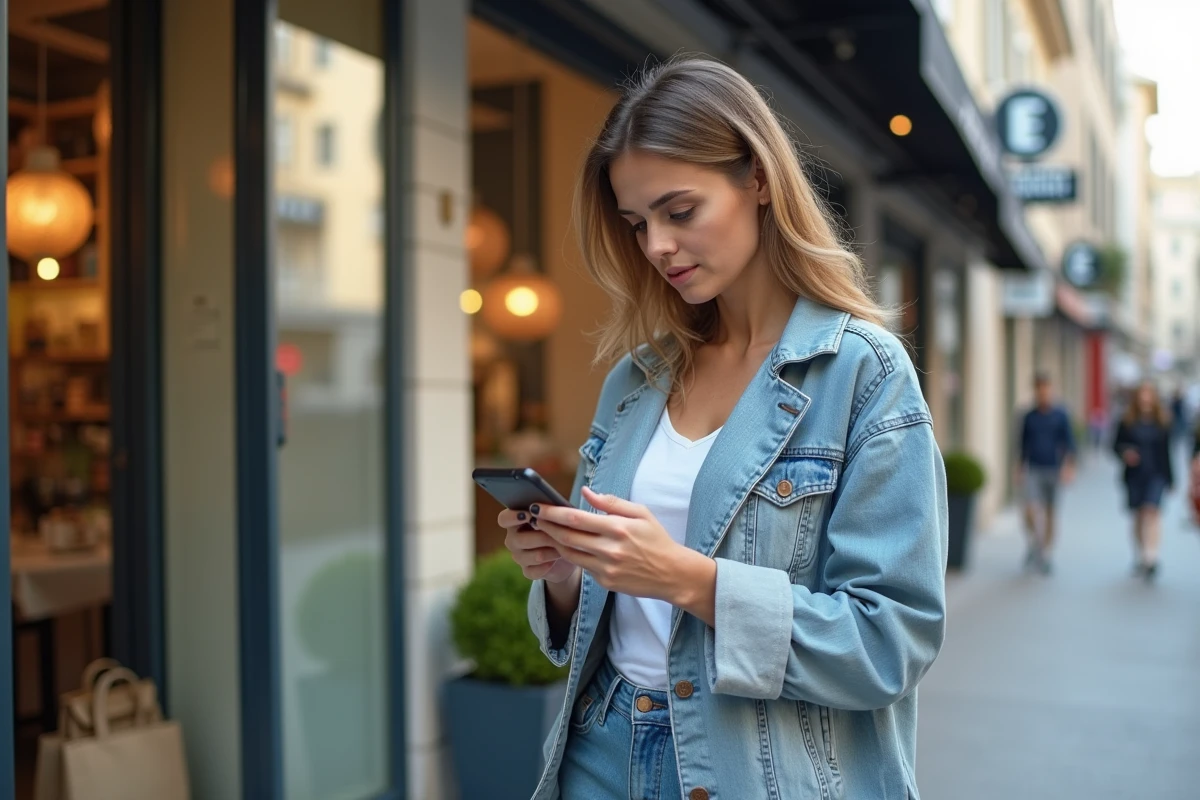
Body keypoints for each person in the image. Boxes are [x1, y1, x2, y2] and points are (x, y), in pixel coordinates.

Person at [500, 56, 947, 800]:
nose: (656, 247)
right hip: (600, 748)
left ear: (759, 180)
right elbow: (603, 617)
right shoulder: (638, 380)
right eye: (638, 223)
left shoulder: (862, 374)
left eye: (680, 212)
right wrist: (566, 572)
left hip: (757, 766)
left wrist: (683, 578)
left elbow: (888, 644)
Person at [1113, 382, 1175, 580]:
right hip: (1135, 475)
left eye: (1149, 394)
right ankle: (1140, 555)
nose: (1145, 398)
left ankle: (1151, 557)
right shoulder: (1127, 420)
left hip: (1156, 473)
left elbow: (1167, 452)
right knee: (1139, 515)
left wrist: (1171, 478)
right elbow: (1114, 445)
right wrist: (1125, 453)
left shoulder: (1162, 422)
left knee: (1152, 512)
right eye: (1142, 394)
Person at [1016, 373, 1076, 574]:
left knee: (1050, 512)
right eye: (1039, 389)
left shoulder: (1061, 415)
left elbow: (1069, 443)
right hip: (1033, 468)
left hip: (1053, 469)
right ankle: (1036, 543)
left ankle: (1046, 553)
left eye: (1046, 389)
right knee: (1031, 510)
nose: (1043, 393)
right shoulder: (1029, 416)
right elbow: (1022, 444)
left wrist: (1068, 467)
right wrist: (1019, 467)